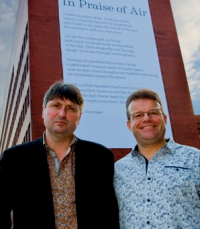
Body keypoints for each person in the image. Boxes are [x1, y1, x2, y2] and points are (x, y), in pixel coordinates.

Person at [0, 81, 119, 229]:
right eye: (56, 106)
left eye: (71, 109)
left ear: (79, 117)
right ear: (43, 111)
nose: (62, 114)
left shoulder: (100, 157)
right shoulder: (15, 158)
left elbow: (110, 213)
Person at [114, 88, 200, 229]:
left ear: (164, 119)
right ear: (129, 125)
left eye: (153, 112)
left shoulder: (194, 159)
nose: (146, 118)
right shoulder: (118, 170)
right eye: (138, 115)